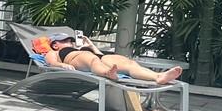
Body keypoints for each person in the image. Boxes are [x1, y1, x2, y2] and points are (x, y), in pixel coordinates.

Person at [38, 29, 183, 85]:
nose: (70, 42)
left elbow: (98, 55)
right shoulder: (54, 52)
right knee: (92, 59)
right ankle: (107, 73)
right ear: (55, 44)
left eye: (70, 40)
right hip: (77, 58)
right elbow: (51, 62)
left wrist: (90, 45)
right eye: (65, 41)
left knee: (129, 63)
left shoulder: (80, 47)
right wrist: (62, 65)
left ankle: (158, 76)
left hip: (98, 57)